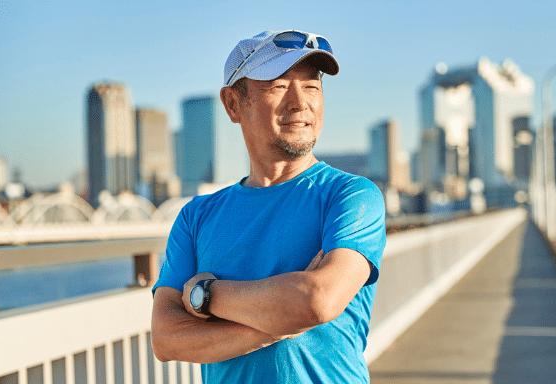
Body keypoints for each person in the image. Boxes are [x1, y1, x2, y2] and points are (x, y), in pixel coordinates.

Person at [150, 30, 386, 383]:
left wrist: (205, 294)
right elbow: (166, 338)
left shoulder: (350, 195)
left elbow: (318, 301)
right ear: (233, 104)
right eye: (278, 86)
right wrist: (277, 323)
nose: (299, 102)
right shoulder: (196, 217)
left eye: (311, 86)